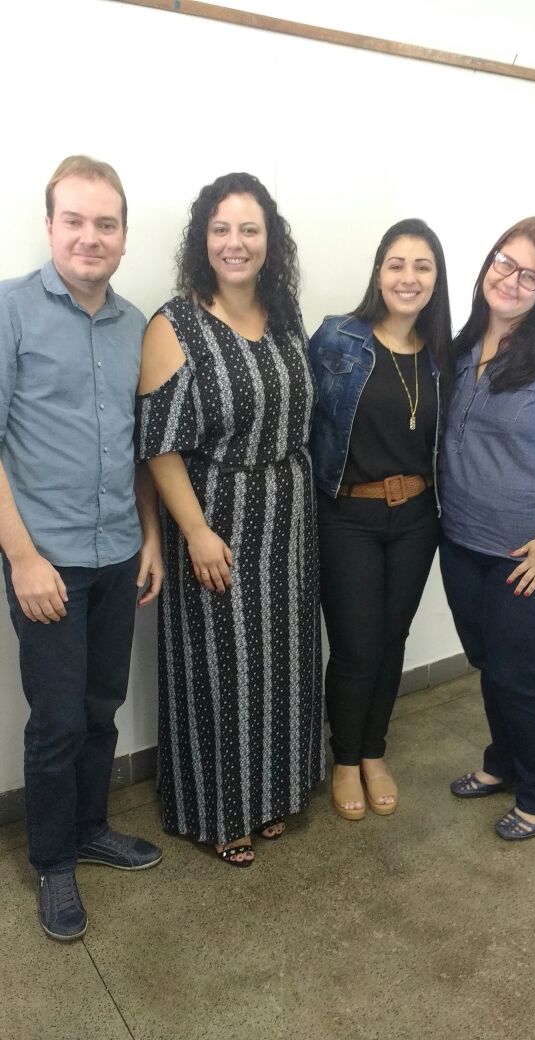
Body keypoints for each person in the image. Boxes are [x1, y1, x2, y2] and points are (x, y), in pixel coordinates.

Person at [136, 172, 323, 867]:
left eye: (249, 229)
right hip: (214, 519)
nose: (235, 242)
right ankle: (219, 811)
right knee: (220, 670)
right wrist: (194, 531)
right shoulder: (173, 325)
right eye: (221, 229)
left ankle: (273, 794)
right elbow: (157, 444)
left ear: (270, 240)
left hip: (287, 518)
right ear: (202, 239)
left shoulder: (285, 317)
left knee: (281, 663)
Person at [0, 156, 164, 941]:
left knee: (101, 708)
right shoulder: (10, 310)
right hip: (48, 562)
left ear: (124, 236)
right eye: (75, 220)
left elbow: (139, 449)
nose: (89, 237)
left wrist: (152, 537)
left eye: (105, 223)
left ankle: (92, 827)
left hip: (119, 554)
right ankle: (54, 861)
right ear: (50, 226)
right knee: (58, 720)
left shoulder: (137, 326)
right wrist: (23, 560)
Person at [440, 216, 535, 841]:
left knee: (525, 676)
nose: (512, 280)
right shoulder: (464, 344)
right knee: (491, 665)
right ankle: (503, 762)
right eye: (505, 262)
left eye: (531, 275)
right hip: (464, 543)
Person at [309, 218, 452, 820]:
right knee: (355, 646)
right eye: (397, 264)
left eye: (422, 266)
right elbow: (301, 420)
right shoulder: (338, 337)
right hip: (348, 515)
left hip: (418, 517)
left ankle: (373, 752)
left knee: (392, 640)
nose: (408, 277)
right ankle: (344, 759)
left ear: (436, 279)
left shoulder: (445, 355)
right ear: (378, 272)